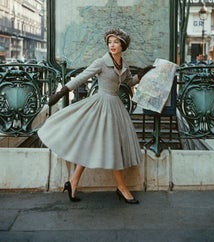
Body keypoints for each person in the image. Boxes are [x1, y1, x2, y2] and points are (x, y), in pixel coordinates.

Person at [38, 28, 154, 204]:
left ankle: (73, 182)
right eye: (109, 42)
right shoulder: (101, 62)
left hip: (115, 106)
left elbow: (129, 82)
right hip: (101, 105)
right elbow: (81, 78)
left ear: (123, 45)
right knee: (110, 145)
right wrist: (61, 93)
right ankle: (122, 188)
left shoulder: (123, 64)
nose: (112, 45)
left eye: (116, 42)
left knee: (95, 144)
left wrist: (142, 74)